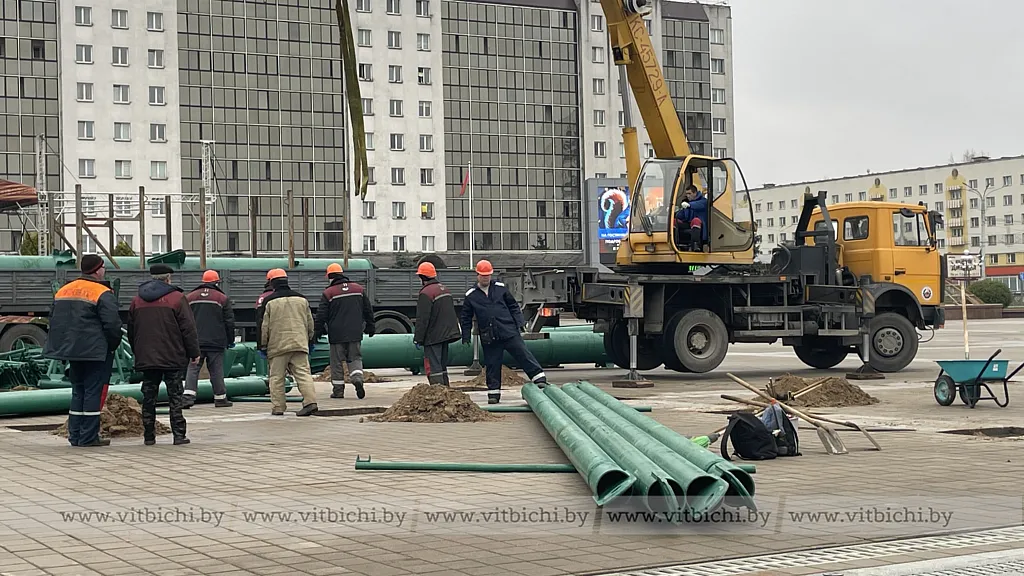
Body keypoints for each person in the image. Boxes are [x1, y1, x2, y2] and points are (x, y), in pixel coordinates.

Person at [42, 254, 123, 447]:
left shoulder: (64, 290)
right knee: (92, 392)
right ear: (98, 270)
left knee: (78, 391)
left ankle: (75, 435)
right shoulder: (102, 292)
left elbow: (55, 320)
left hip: (72, 351)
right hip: (95, 352)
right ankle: (88, 437)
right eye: (103, 267)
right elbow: (112, 325)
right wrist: (111, 346)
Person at [128, 264, 200, 446]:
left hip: (147, 358)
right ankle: (179, 435)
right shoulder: (177, 298)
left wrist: (138, 352)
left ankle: (149, 436)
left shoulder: (137, 300)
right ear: (168, 278)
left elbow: (131, 330)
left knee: (148, 397)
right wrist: (194, 352)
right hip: (172, 357)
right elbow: (188, 328)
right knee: (175, 396)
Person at [459, 260, 548, 404]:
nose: (486, 278)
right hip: (489, 336)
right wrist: (465, 335)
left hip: (508, 331)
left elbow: (513, 306)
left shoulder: (500, 288)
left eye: (488, 275)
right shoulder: (471, 295)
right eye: (483, 275)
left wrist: (520, 322)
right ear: (477, 275)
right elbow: (465, 317)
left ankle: (539, 378)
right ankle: (494, 394)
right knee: (492, 364)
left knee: (523, 353)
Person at [257, 268, 318, 416]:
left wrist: (262, 346)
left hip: (278, 346)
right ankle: (310, 402)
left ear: (271, 283)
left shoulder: (269, 301)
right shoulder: (302, 299)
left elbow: (264, 326)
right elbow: (310, 323)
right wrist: (310, 341)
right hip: (299, 344)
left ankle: (278, 407)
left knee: (276, 378)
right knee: (303, 374)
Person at [313, 263, 375, 399]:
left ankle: (338, 391)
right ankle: (357, 379)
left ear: (330, 277)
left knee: (336, 362)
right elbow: (368, 309)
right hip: (355, 332)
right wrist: (371, 325)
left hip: (336, 334)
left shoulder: (329, 293)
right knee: (355, 358)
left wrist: (317, 332)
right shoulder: (358, 289)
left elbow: (321, 315)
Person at [183, 270, 236, 409]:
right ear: (216, 282)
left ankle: (187, 398)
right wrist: (230, 340)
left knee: (193, 368)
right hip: (216, 341)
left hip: (195, 341)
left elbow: (183, 320)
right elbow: (229, 322)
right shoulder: (222, 298)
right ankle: (220, 399)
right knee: (216, 370)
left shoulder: (190, 297)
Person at [412, 262, 461, 387]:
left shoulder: (426, 293)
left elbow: (423, 318)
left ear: (422, 277)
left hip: (433, 337)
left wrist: (418, 338)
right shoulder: (444, 289)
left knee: (433, 366)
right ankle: (446, 390)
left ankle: (437, 390)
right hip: (447, 335)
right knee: (442, 365)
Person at [675, 184, 708, 251]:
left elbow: (698, 205)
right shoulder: (687, 203)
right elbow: (682, 216)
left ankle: (696, 245)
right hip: (688, 224)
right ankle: (674, 242)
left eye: (689, 193)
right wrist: (675, 212)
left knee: (695, 221)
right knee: (673, 221)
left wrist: (689, 205)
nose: (688, 196)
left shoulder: (703, 201)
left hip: (700, 226)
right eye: (687, 194)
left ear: (695, 193)